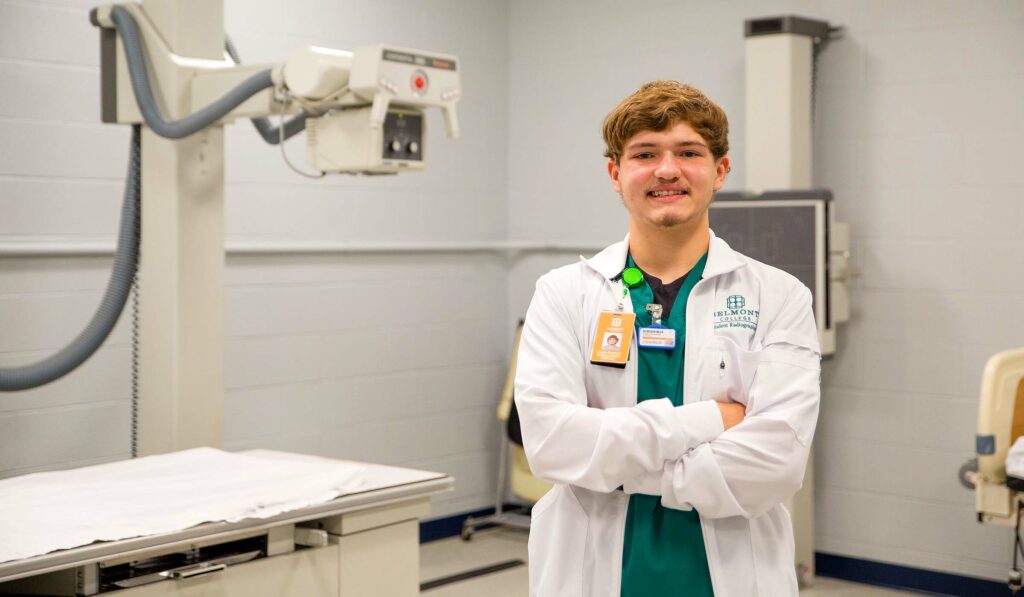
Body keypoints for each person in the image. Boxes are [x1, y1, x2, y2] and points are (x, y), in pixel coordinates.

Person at [514, 80, 821, 597]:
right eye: (645, 154)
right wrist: (710, 419)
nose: (666, 170)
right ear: (615, 173)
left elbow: (776, 464)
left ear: (720, 169)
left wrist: (610, 466)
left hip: (735, 573)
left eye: (688, 152)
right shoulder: (563, 293)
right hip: (589, 573)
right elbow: (550, 446)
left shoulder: (778, 296)